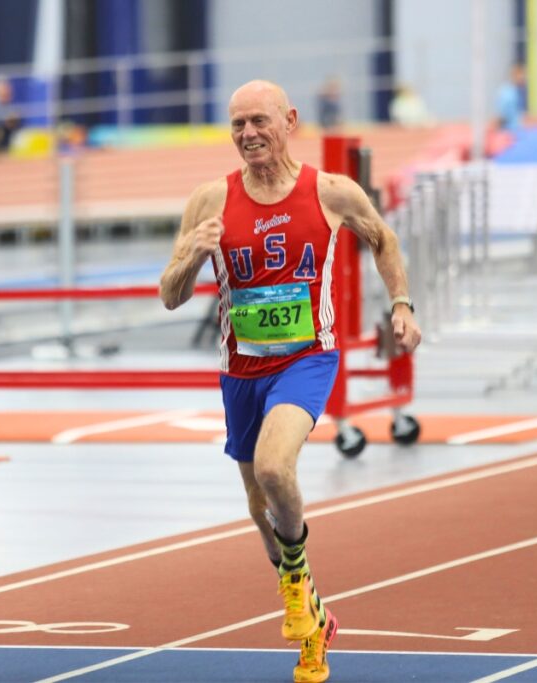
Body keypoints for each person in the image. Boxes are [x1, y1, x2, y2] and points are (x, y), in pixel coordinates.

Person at [158, 80, 421, 683]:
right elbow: (170, 296)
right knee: (259, 506)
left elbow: (383, 238)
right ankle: (317, 620)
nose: (248, 134)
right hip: (240, 369)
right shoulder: (209, 201)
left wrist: (402, 304)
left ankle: (297, 586)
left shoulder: (330, 192)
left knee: (277, 469)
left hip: (307, 358)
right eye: (237, 125)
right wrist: (192, 257)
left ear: (290, 120)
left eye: (259, 121)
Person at [496, 63, 527, 130]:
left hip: (516, 128)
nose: (523, 79)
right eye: (521, 77)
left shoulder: (518, 91)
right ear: (514, 76)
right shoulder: (507, 93)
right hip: (509, 131)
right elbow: (503, 116)